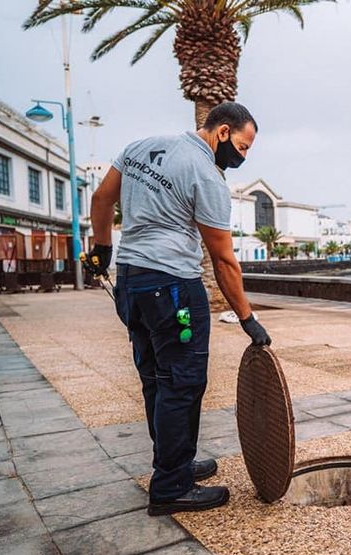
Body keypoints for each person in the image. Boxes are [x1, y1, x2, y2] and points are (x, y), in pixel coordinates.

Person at [84, 102, 271, 516]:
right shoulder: (206, 174)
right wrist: (247, 318)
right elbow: (223, 259)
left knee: (155, 378)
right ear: (223, 132)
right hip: (172, 287)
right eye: (242, 146)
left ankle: (175, 464)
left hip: (131, 282)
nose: (243, 156)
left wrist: (101, 249)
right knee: (181, 383)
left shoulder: (141, 146)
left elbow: (101, 199)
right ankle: (171, 486)